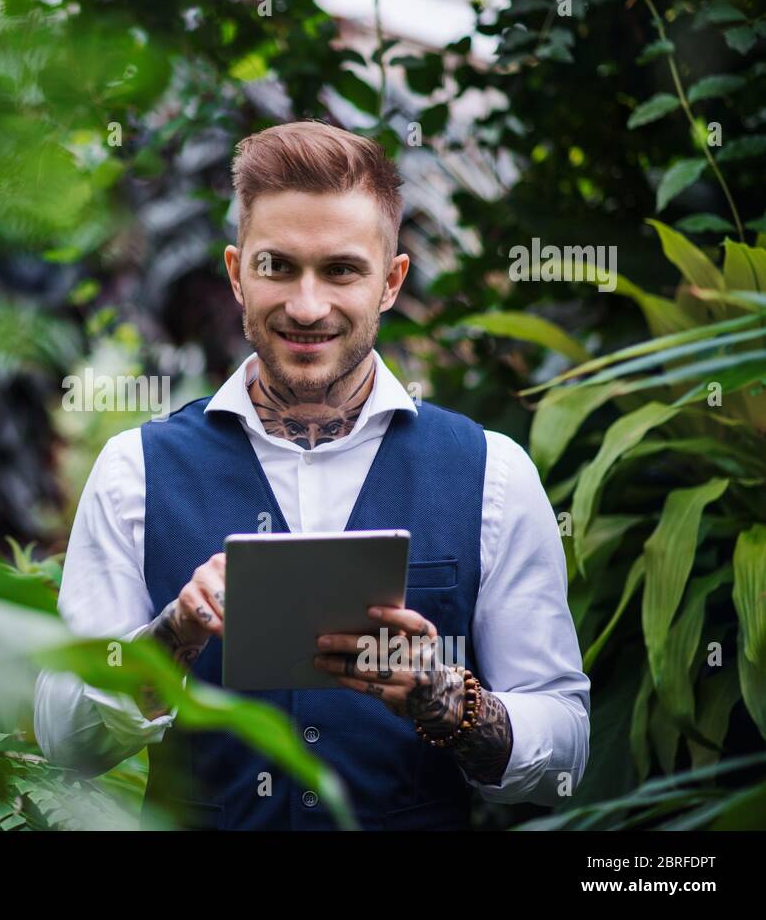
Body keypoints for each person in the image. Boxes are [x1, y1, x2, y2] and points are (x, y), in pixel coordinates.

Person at [34, 120, 590, 830]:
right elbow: (64, 741)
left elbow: (567, 750)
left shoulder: (492, 474)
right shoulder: (134, 472)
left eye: (341, 270)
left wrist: (446, 698)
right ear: (237, 274)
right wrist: (173, 634)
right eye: (278, 267)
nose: (305, 305)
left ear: (390, 282)